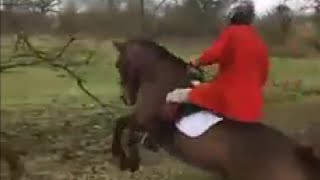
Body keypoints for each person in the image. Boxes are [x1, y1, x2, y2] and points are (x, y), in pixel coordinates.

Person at [166, 0, 269, 123]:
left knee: (174, 96)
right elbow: (262, 78)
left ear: (232, 16)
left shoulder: (232, 32)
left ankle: (168, 135)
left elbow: (214, 54)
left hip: (227, 97)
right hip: (254, 106)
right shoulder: (260, 42)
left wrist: (196, 62)